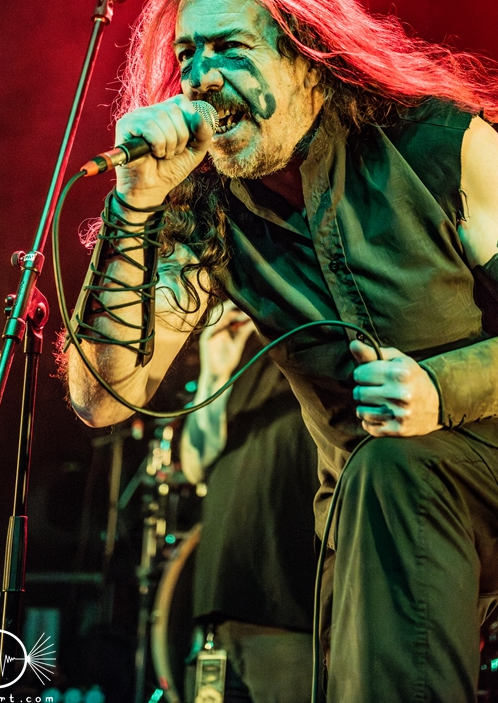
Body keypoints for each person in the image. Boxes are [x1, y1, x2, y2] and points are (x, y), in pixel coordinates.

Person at [67, 0, 498, 703]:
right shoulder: (208, 210)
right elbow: (101, 398)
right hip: (373, 503)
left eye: (228, 48)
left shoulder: (440, 143)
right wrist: (135, 206)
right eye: (187, 55)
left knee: (390, 471)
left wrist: (438, 388)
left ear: (305, 54)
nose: (200, 78)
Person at [179, 301, 318, 703]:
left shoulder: (317, 337)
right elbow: (194, 464)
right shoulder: (241, 346)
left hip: (288, 610)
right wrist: (214, 372)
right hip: (220, 604)